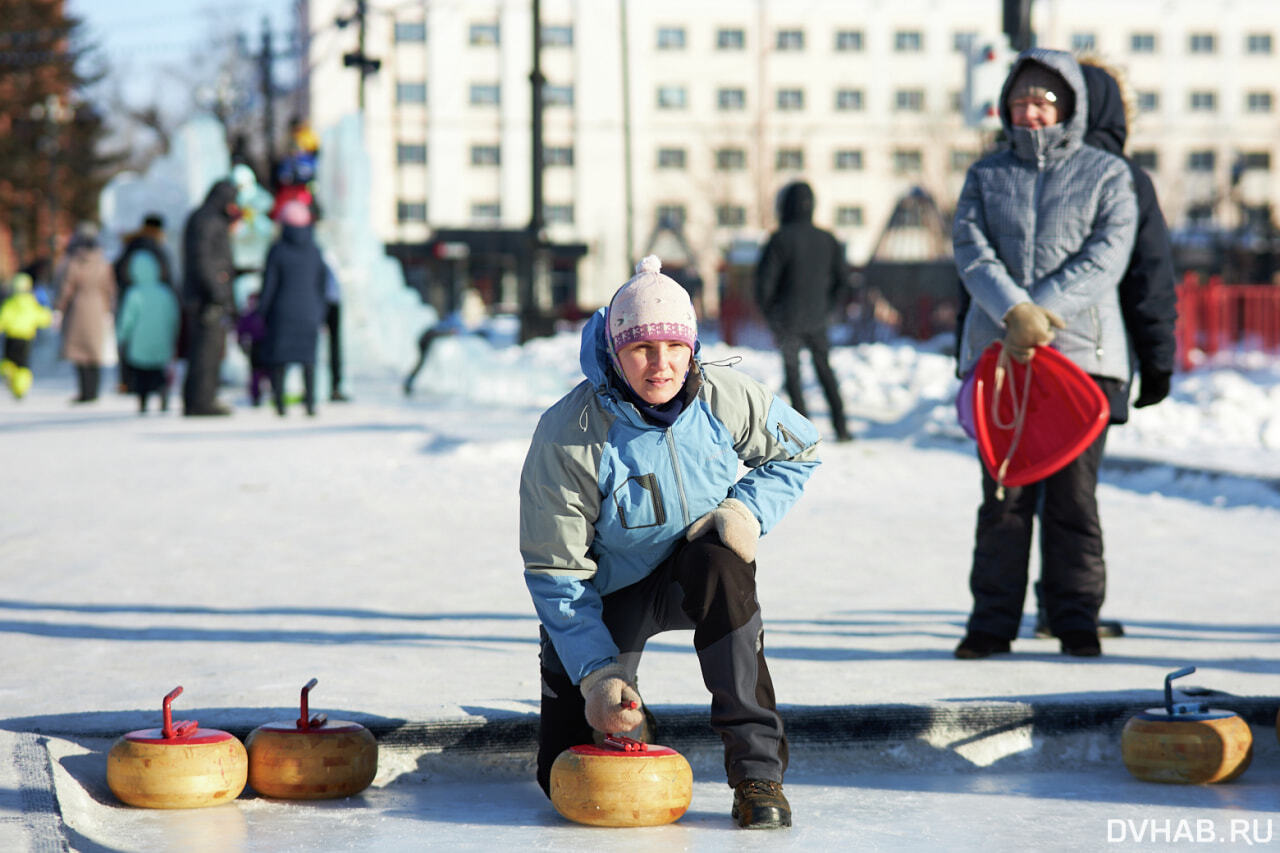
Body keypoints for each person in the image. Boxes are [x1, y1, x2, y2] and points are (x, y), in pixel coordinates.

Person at [519, 255, 820, 829]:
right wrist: (598, 674)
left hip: (692, 573)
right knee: (563, 776)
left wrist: (744, 511)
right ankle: (626, 704)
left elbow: (799, 449)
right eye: (642, 349)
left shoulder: (723, 395)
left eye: (675, 347)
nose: (662, 365)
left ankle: (757, 774)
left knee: (724, 566)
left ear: (693, 346)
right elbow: (556, 572)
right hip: (608, 596)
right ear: (614, 351)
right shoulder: (570, 433)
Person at [951, 47, 1138, 660]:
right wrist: (1014, 313)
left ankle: (1076, 618)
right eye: (1020, 101)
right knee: (1004, 496)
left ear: (1069, 108)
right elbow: (971, 249)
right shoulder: (985, 174)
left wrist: (1044, 311)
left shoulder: (1107, 173)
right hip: (1003, 359)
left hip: (1081, 358)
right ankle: (991, 622)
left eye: (1043, 101)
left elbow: (1108, 254)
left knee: (1073, 498)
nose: (1029, 112)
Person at [1030, 57, 1180, 641]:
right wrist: (1158, 360)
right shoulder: (1121, 175)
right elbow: (1150, 279)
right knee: (1075, 491)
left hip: (1024, 360)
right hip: (1091, 360)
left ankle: (1054, 605)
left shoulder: (1031, 168)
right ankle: (1073, 612)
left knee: (1031, 489)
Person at [755, 180, 853, 443]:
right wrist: (828, 308)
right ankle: (842, 428)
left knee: (793, 374)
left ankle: (803, 433)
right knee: (825, 370)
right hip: (818, 317)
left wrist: (772, 316)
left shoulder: (779, 239)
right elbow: (843, 280)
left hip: (787, 319)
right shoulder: (828, 239)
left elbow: (764, 284)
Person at [257, 200, 330, 416]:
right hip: (309, 312)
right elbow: (323, 283)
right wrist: (320, 311)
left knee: (280, 360)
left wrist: (262, 310)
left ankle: (280, 405)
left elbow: (269, 284)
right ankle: (310, 404)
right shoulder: (315, 250)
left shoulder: (277, 250)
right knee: (308, 360)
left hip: (282, 312)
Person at [181, 179, 241, 416]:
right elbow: (203, 259)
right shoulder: (208, 220)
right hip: (206, 298)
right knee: (206, 350)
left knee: (206, 349)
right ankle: (201, 401)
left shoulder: (206, 217)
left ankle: (200, 398)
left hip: (205, 294)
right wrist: (217, 292)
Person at [113, 213, 175, 395]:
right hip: (157, 301)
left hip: (130, 298)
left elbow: (118, 271)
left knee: (131, 344)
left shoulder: (130, 245)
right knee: (156, 344)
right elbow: (168, 275)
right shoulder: (156, 248)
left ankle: (130, 382)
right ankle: (157, 384)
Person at [55, 224, 118, 404]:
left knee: (79, 353)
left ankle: (84, 391)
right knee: (93, 352)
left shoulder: (73, 261)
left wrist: (59, 307)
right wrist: (109, 309)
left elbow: (66, 288)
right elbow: (109, 289)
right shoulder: (103, 263)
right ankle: (93, 390)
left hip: (78, 308)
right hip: (98, 309)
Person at [116, 249, 180, 413]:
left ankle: (143, 401)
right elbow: (173, 316)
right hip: (162, 340)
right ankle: (163, 395)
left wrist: (122, 335)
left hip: (139, 342)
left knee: (141, 374)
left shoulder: (134, 294)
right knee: (159, 372)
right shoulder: (165, 292)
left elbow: (127, 318)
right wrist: (173, 335)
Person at [402, 288, 487, 396]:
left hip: (423, 341)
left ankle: (410, 383)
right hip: (423, 343)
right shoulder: (440, 329)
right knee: (420, 364)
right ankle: (409, 383)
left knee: (421, 365)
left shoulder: (441, 326)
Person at [0, 273, 53, 399]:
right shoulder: (32, 302)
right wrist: (48, 316)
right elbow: (43, 317)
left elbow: (3, 318)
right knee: (23, 366)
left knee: (9, 360)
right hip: (26, 338)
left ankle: (8, 371)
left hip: (11, 337)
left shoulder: (10, 303)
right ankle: (20, 388)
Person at [322, 264, 348, 402]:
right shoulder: (325, 257)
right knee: (333, 346)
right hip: (332, 301)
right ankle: (334, 388)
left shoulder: (319, 255)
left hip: (322, 302)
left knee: (328, 346)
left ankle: (334, 387)